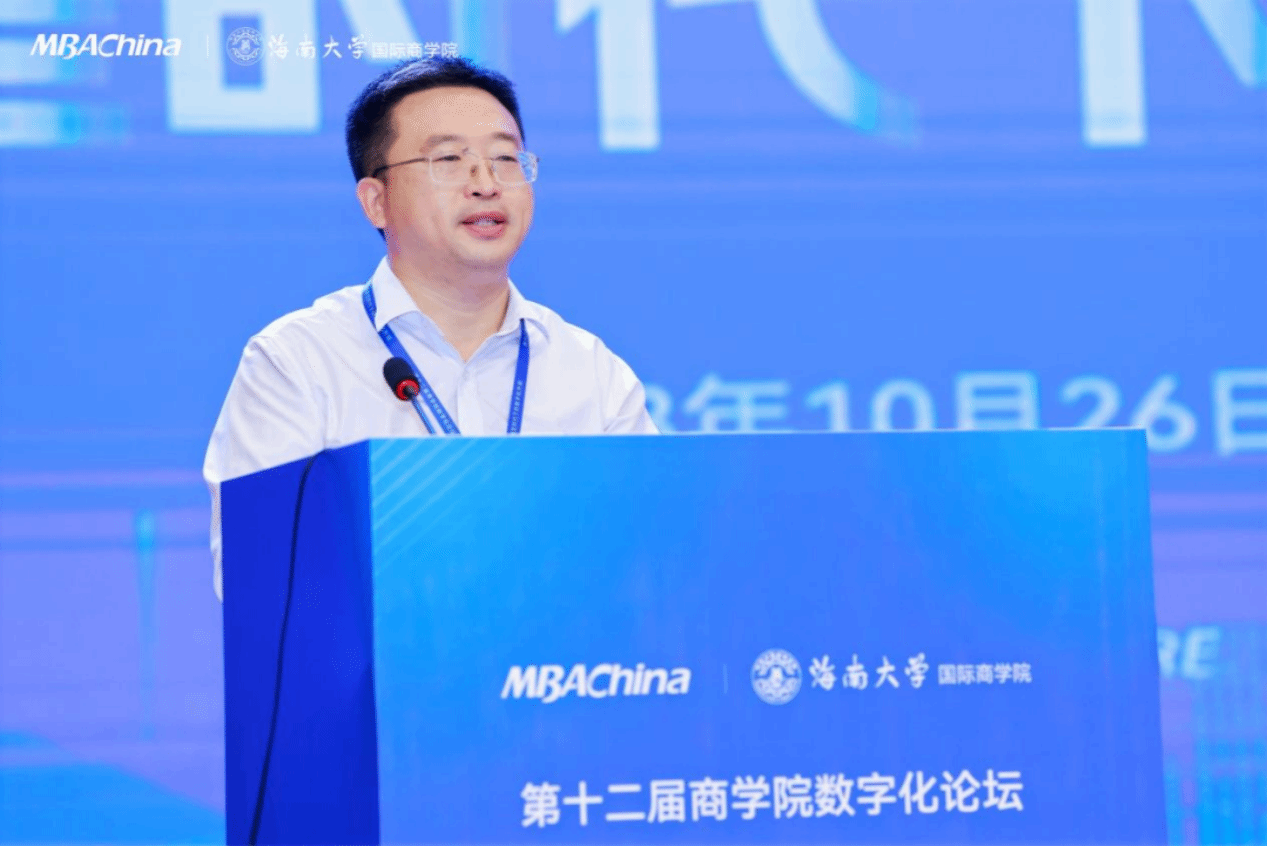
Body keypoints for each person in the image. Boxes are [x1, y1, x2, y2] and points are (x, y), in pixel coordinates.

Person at [203, 57, 658, 598]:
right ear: (376, 201)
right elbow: (258, 580)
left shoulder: (589, 371)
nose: (486, 183)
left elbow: (648, 560)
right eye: (449, 159)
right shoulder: (298, 362)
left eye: (505, 158)